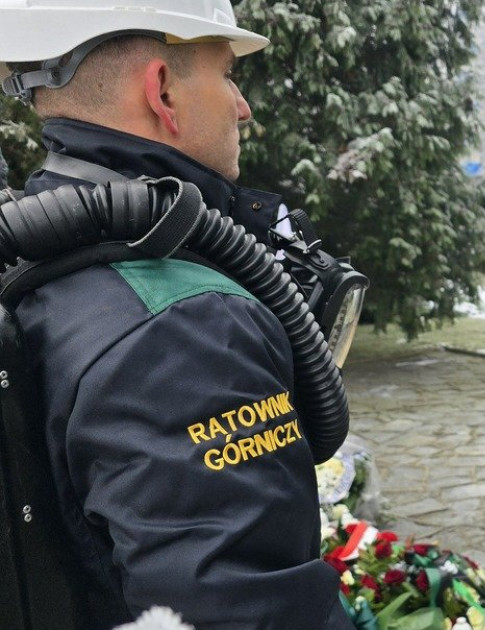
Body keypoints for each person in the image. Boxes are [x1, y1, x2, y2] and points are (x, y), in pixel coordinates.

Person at [0, 2, 354, 627]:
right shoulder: (188, 327)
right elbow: (248, 614)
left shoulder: (40, 256)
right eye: (226, 75)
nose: (242, 106)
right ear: (162, 90)